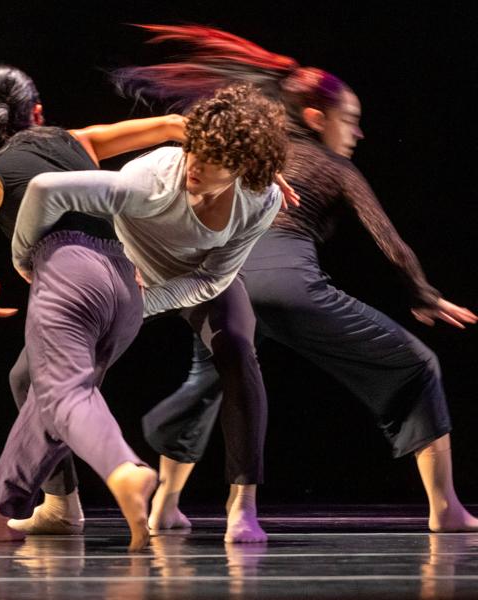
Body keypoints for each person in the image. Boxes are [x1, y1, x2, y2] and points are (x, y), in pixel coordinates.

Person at [115, 24, 478, 534]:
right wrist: (424, 294)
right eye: (350, 121)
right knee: (417, 366)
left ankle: (164, 506)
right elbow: (390, 242)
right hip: (287, 286)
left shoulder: (252, 151)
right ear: (315, 117)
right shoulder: (333, 165)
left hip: (219, 284)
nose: (357, 133)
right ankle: (447, 510)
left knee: (209, 383)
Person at [1, 82, 292, 544]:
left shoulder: (260, 199)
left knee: (238, 347)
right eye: (193, 148)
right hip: (127, 271)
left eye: (213, 158)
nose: (194, 163)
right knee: (29, 376)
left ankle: (243, 506)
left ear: (243, 168)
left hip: (197, 279)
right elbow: (45, 189)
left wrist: (147, 303)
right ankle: (60, 504)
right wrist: (25, 258)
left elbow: (215, 277)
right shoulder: (152, 181)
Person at [0, 63, 187, 538]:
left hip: (71, 279)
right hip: (127, 287)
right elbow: (174, 126)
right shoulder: (79, 140)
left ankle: (122, 470)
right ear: (37, 112)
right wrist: (256, 172)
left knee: (64, 393)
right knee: (29, 379)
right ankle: (59, 505)